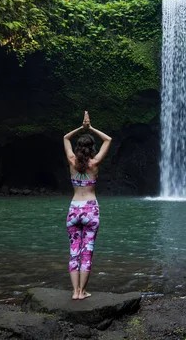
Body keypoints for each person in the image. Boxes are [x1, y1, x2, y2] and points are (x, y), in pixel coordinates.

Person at [63, 111, 112, 300]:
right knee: (87, 251)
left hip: (74, 208)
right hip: (90, 209)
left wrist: (80, 128)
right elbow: (108, 139)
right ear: (92, 149)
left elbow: (65, 137)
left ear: (77, 148)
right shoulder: (95, 163)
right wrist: (90, 128)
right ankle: (83, 292)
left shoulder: (71, 161)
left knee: (74, 251)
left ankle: (74, 292)